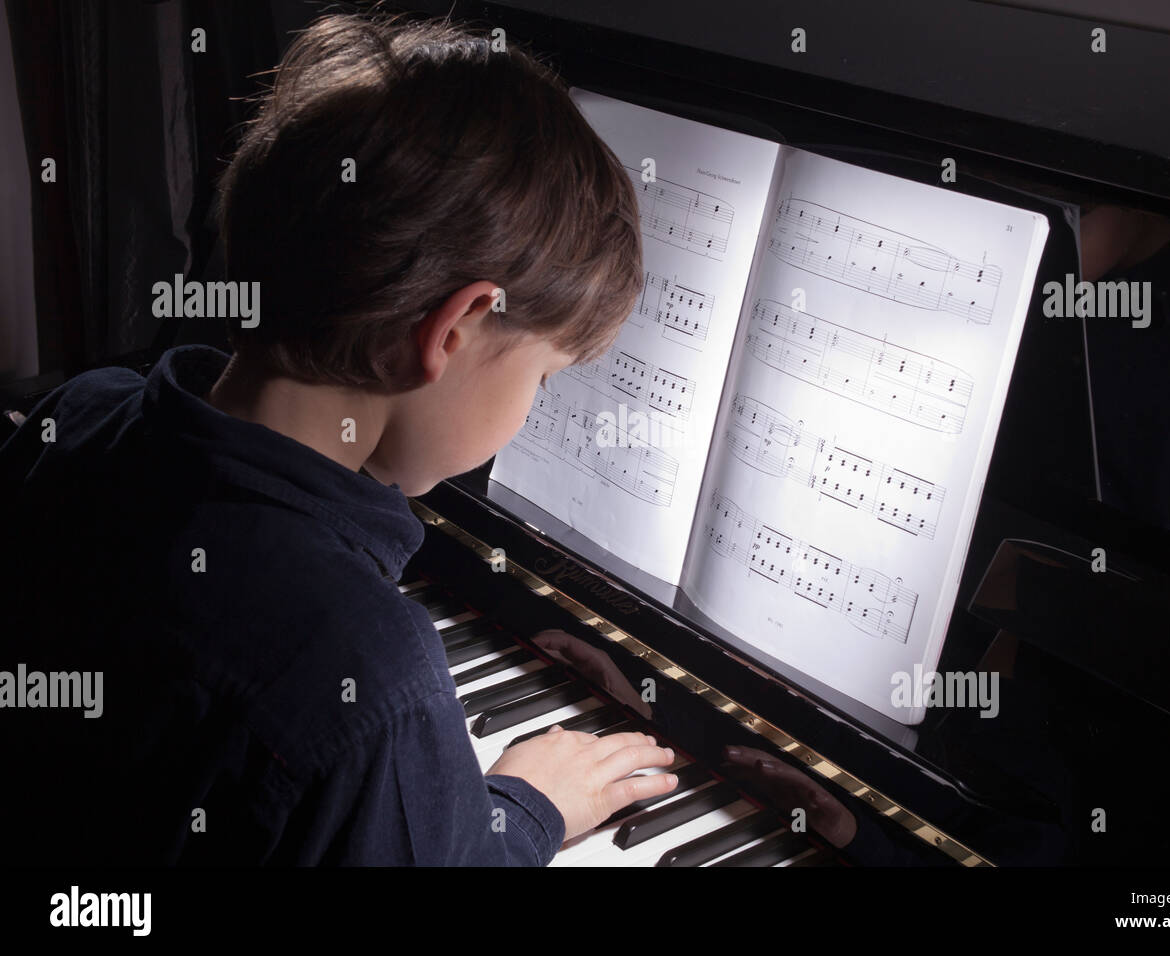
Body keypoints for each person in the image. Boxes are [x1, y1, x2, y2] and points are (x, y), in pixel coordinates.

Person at [0, 11, 678, 865]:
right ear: (455, 330)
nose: (532, 408)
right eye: (540, 378)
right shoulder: (370, 677)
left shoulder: (81, 417)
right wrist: (524, 808)